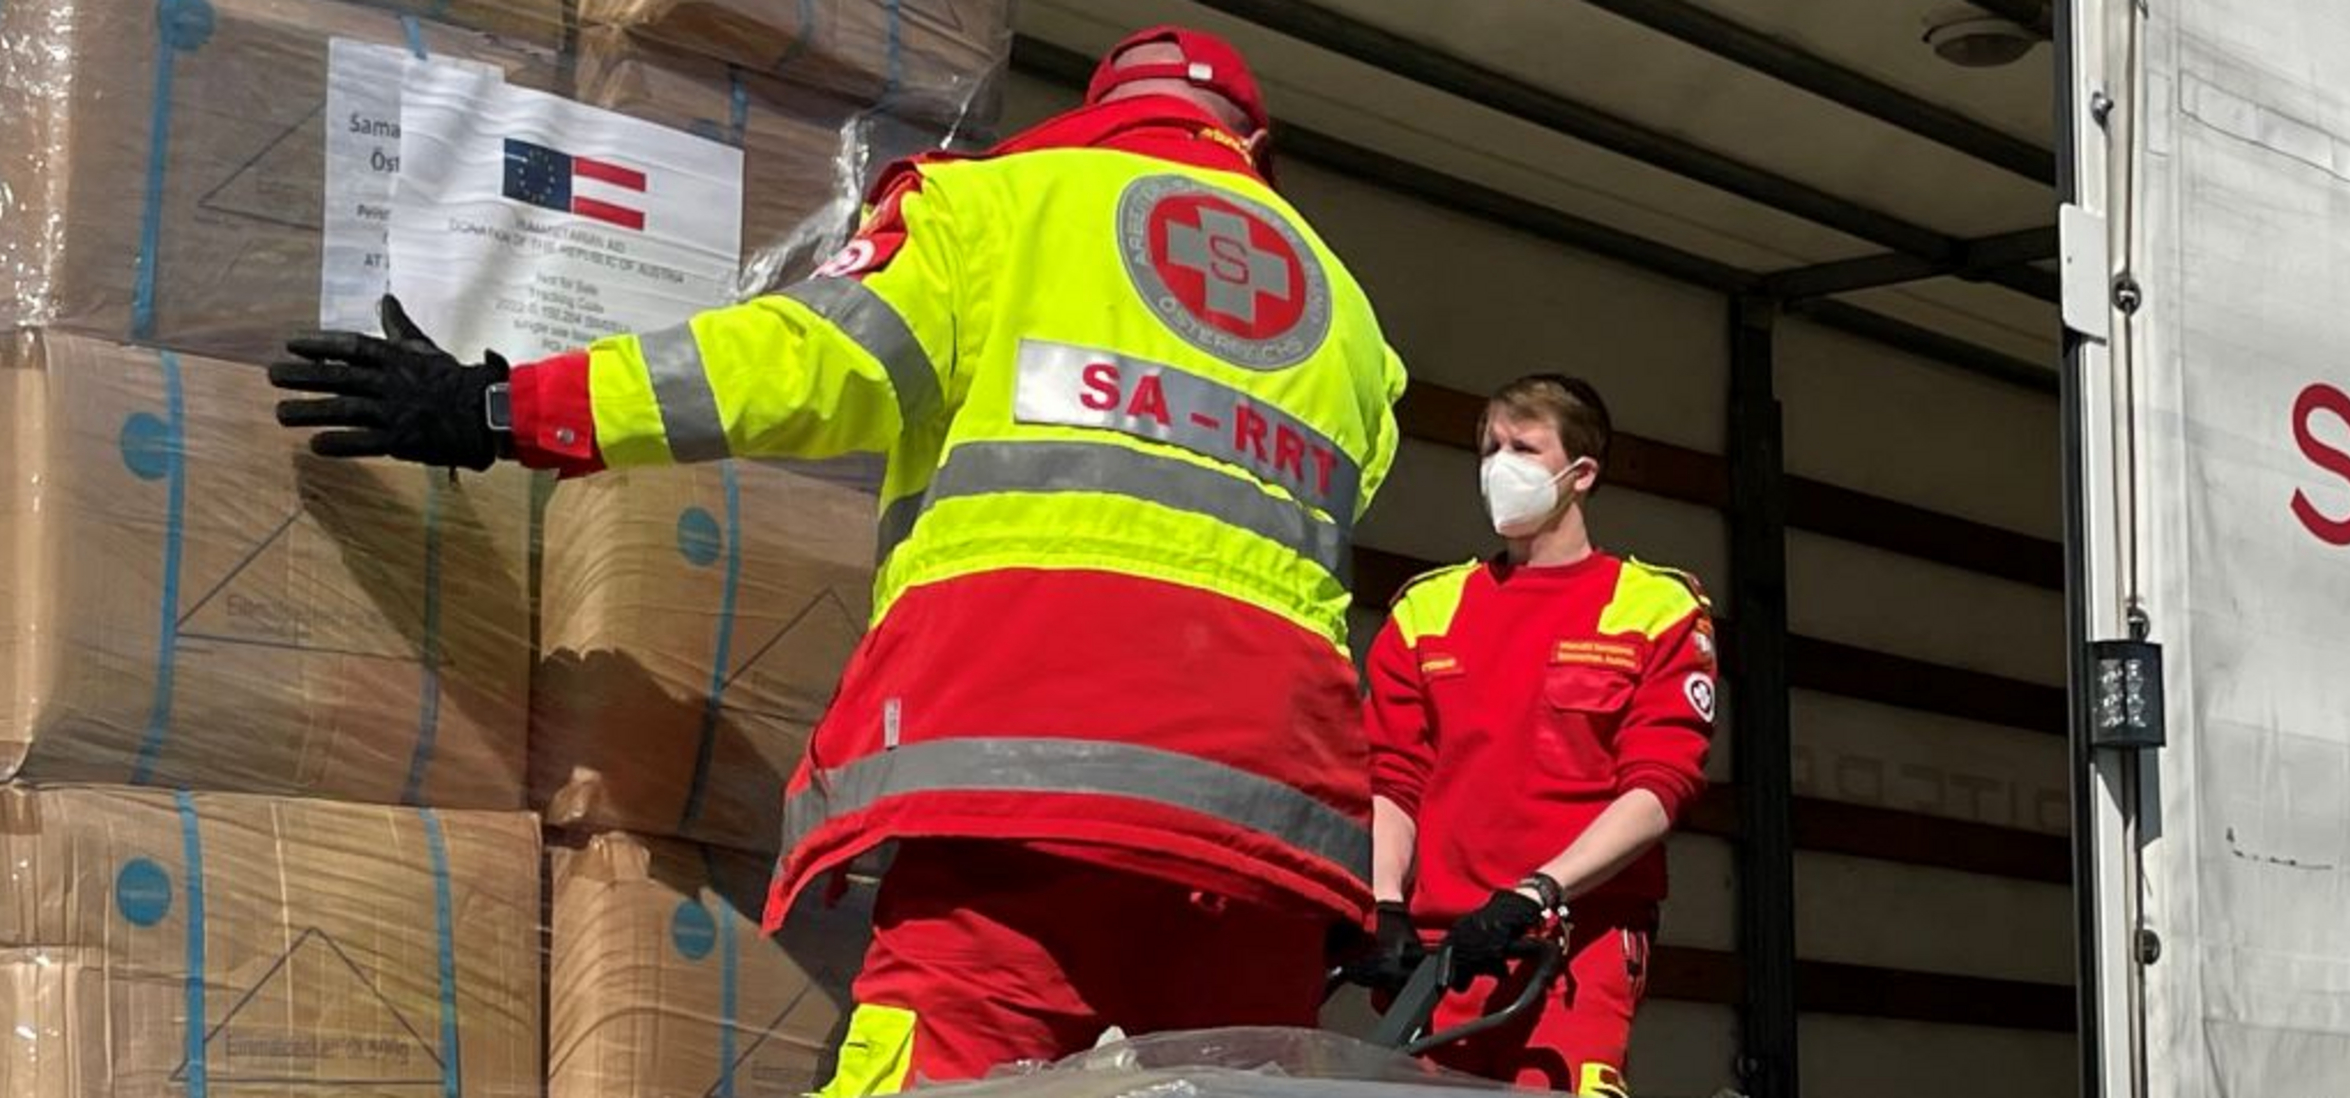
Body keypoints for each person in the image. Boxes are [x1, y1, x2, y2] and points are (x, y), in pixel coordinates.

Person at [264, 28, 1405, 1093]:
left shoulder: (996, 208)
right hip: (1270, 828)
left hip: (1025, 783)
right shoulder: (1351, 322)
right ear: (1257, 147)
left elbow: (797, 362)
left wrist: (506, 408)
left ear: (1101, 108)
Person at [1345, 375, 1716, 1096]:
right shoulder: (1429, 610)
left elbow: (1661, 787)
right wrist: (1383, 904)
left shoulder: (1653, 607)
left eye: (1523, 447)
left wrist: (1538, 891)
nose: (1498, 466)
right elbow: (1393, 778)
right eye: (1489, 447)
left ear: (1582, 474)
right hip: (1436, 954)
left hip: (1577, 949)